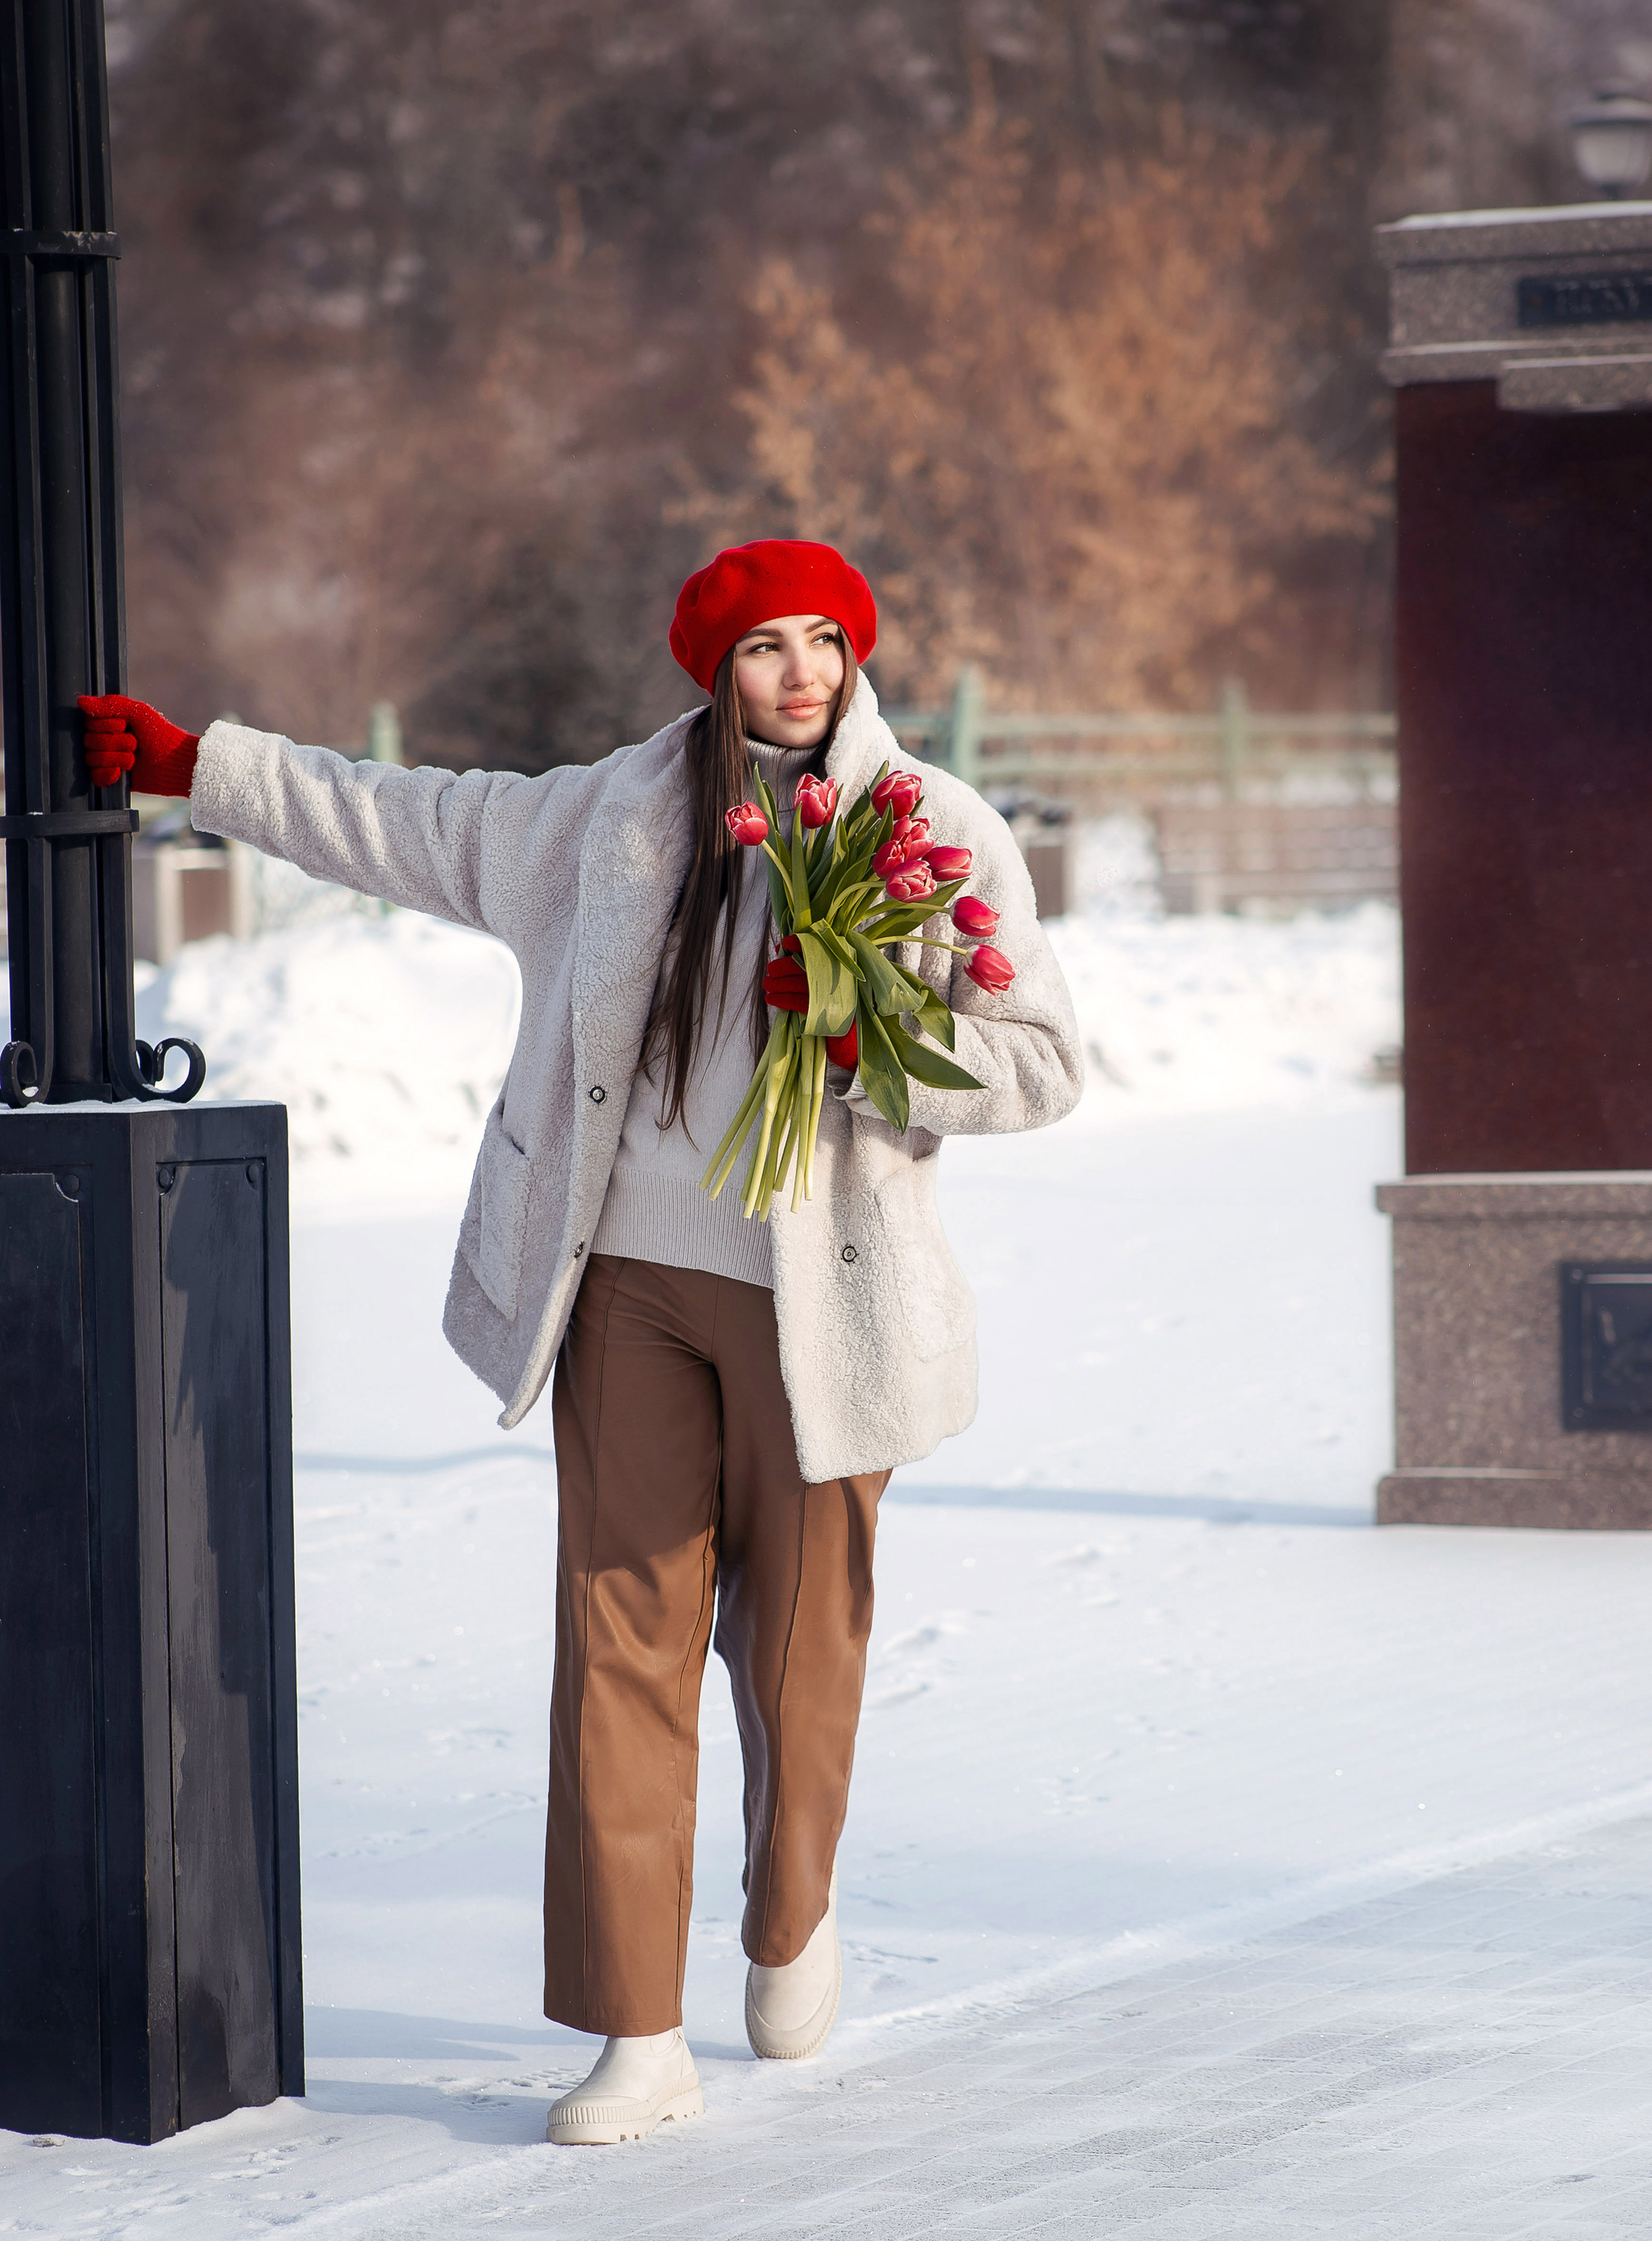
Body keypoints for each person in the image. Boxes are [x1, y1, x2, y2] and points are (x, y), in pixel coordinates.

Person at [82, 539, 1083, 2145]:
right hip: (624, 1284)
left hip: (826, 1305)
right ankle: (635, 2028)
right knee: (617, 1647)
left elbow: (1039, 1066)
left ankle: (789, 1915)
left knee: (797, 1650)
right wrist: (209, 767)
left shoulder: (929, 827)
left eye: (824, 641)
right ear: (712, 666)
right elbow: (411, 818)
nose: (802, 674)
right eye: (765, 648)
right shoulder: (610, 818)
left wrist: (869, 1035)